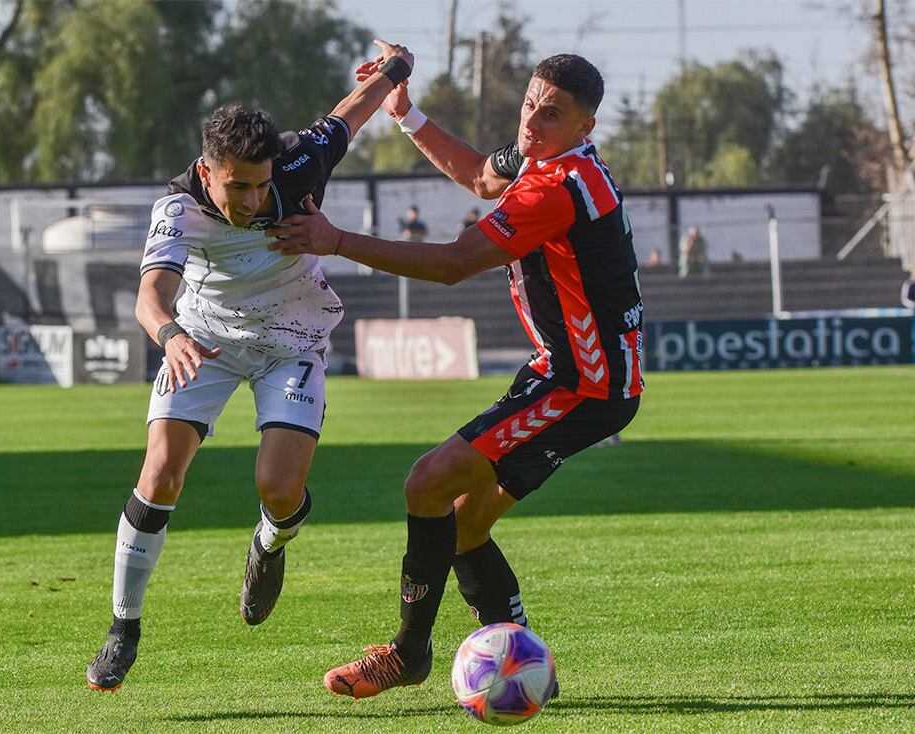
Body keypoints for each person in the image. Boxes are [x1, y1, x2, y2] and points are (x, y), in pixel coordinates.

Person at [269, 53, 643, 700]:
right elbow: (477, 173)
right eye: (529, 103)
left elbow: (454, 264)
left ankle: (410, 654)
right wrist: (403, 112)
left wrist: (336, 241)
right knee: (465, 525)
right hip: (573, 375)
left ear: (585, 126)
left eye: (551, 113)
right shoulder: (547, 160)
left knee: (429, 482)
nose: (531, 122)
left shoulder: (558, 186)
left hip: (584, 384)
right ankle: (527, 670)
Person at [84, 39, 417, 693]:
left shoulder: (300, 162)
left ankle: (270, 541)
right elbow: (149, 298)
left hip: (293, 337)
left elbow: (354, 108)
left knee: (279, 488)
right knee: (159, 472)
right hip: (203, 339)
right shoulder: (178, 207)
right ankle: (124, 627)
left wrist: (396, 69)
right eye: (238, 186)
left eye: (262, 185)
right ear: (208, 174)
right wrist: (171, 334)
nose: (254, 199)